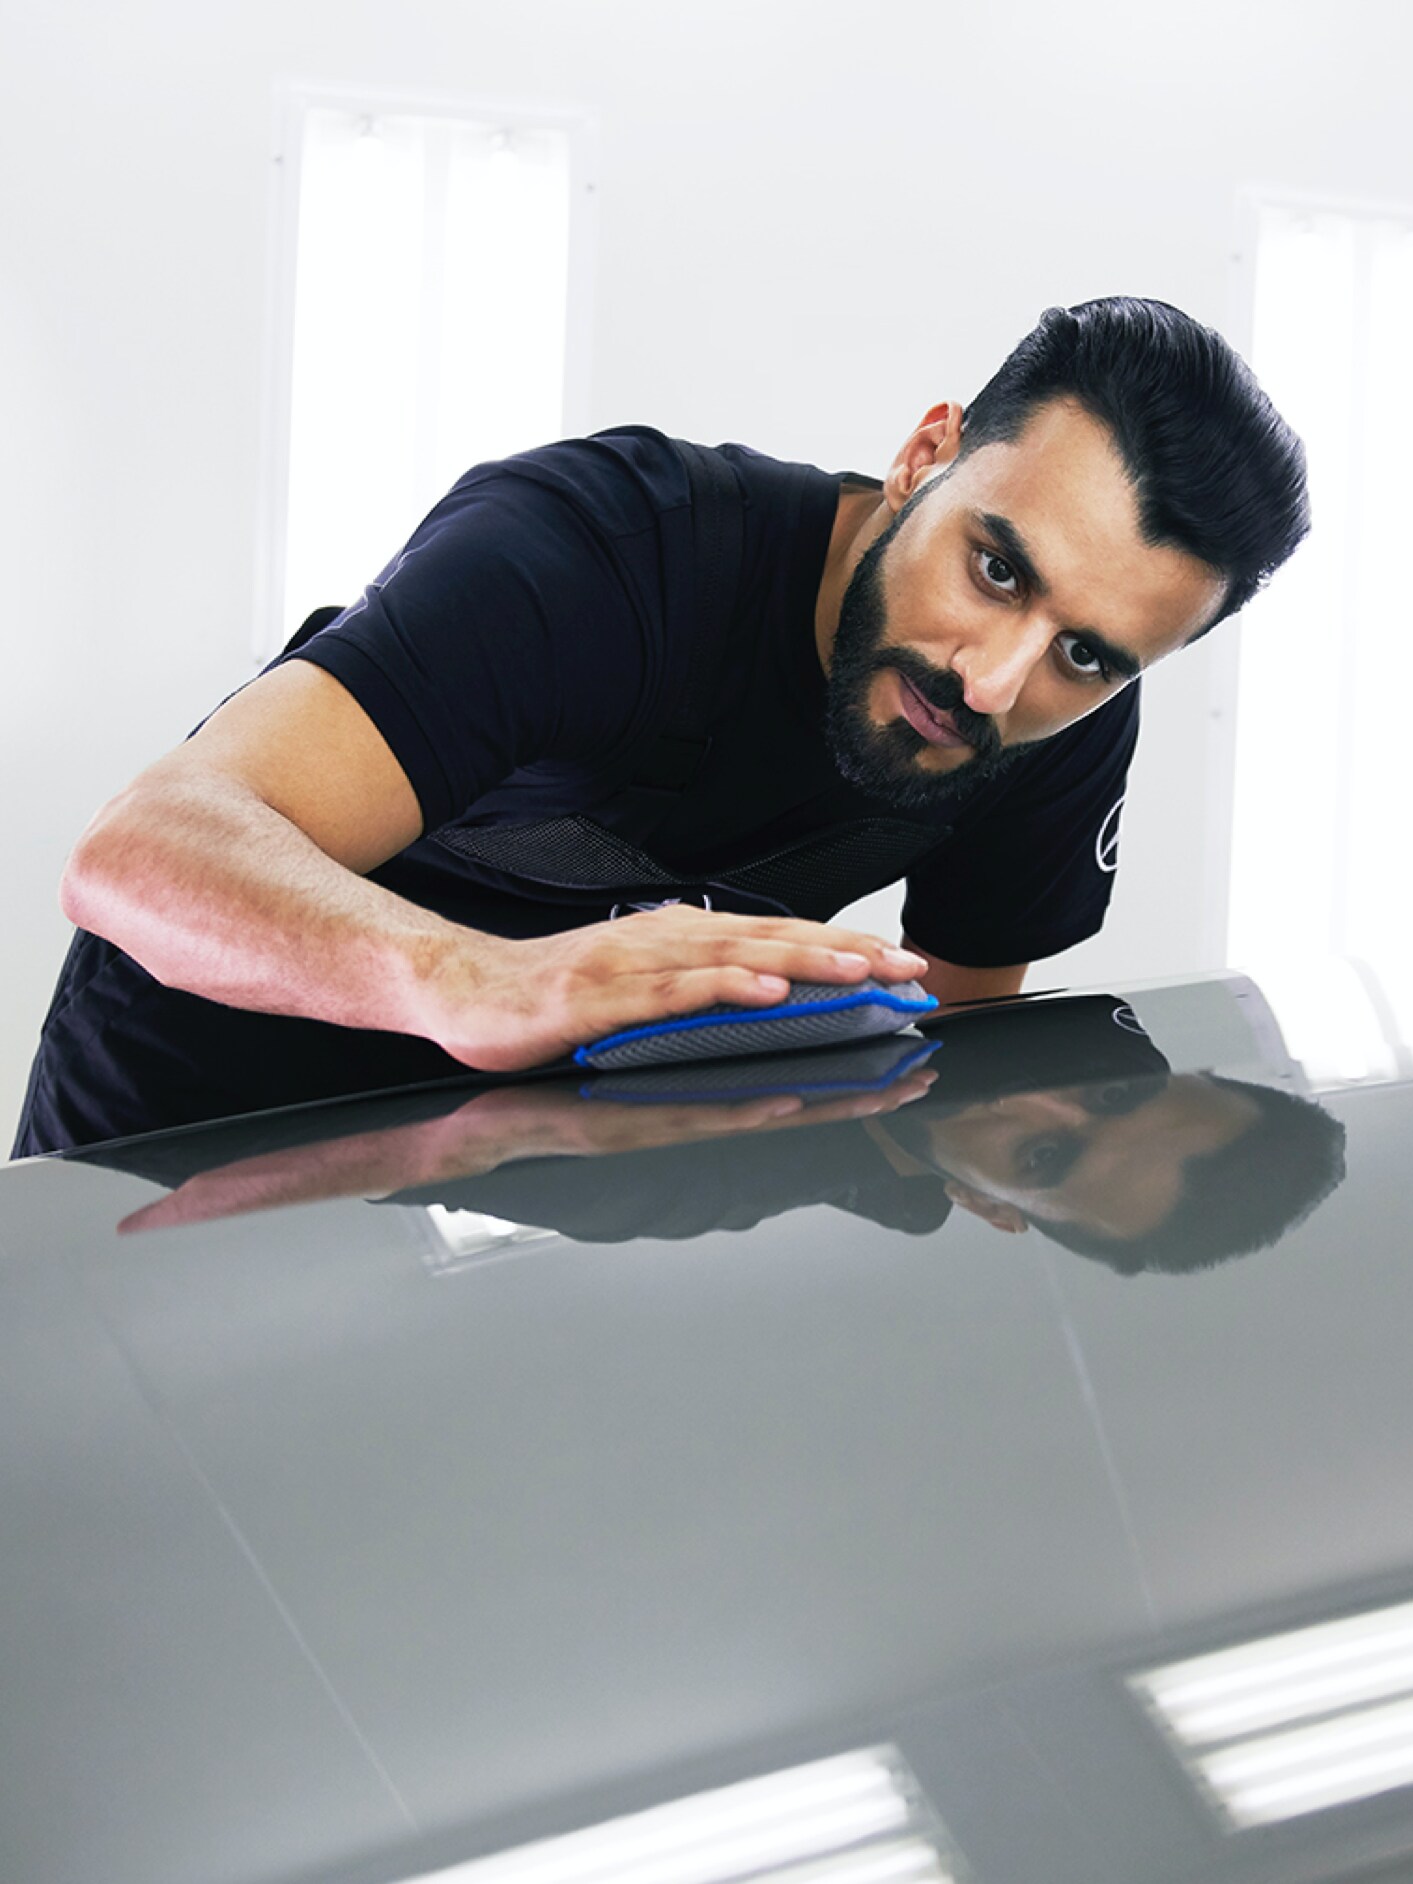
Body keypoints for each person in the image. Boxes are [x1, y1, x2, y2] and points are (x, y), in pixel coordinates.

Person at [13, 297, 1311, 1157]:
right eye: (994, 568)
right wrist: (473, 975)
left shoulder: (1051, 719)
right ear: (925, 457)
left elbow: (957, 1088)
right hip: (175, 1120)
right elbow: (142, 850)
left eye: (1087, 651)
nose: (994, 680)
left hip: (486, 1166)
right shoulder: (597, 547)